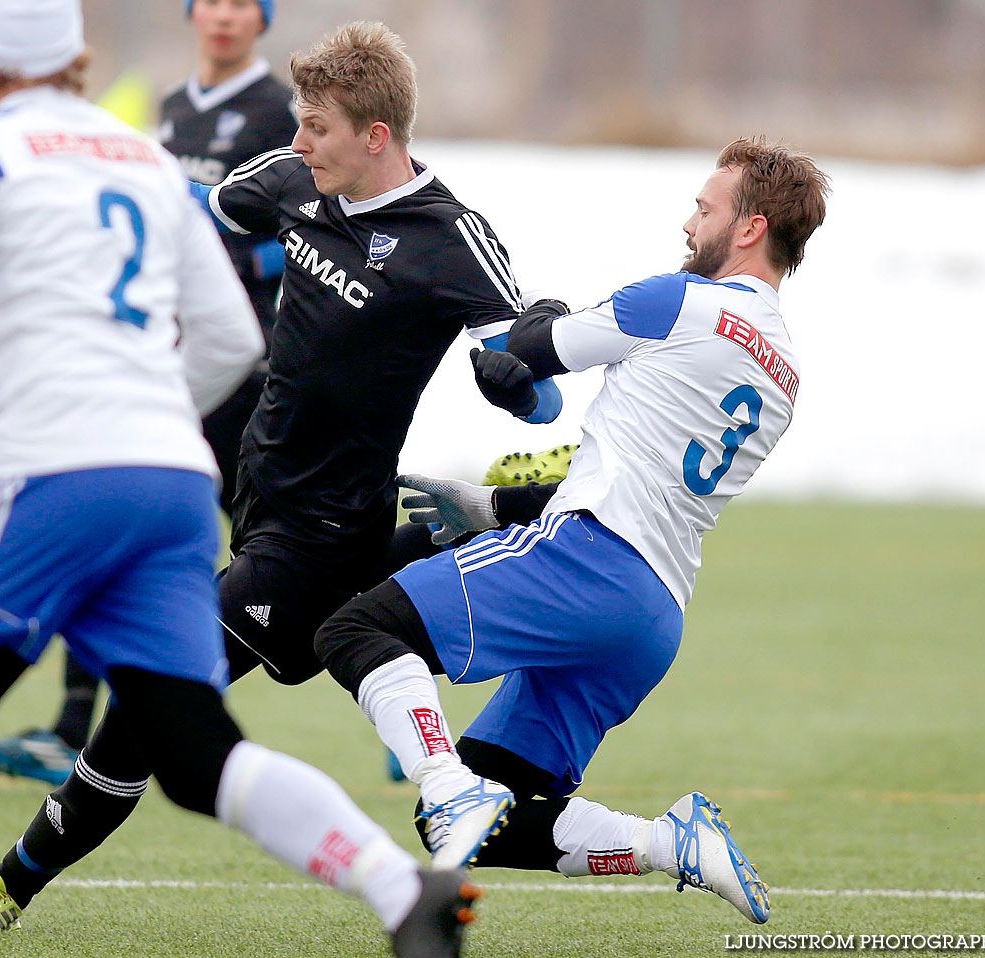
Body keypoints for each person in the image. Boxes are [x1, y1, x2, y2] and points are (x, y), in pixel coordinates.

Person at [0, 3, 480, 956]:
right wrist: (160, 412)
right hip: (172, 482)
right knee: (197, 752)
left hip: (60, 470)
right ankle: (400, 886)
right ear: (78, 58)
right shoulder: (143, 159)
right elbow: (238, 337)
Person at [0, 19, 568, 934]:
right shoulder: (294, 181)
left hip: (315, 539)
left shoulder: (448, 237)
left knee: (147, 706)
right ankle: (442, 537)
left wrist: (525, 387)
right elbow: (194, 216)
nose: (297, 142)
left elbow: (528, 361)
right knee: (258, 657)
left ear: (376, 137)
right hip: (257, 506)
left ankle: (5, 891)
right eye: (298, 126)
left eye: (315, 128)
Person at [313, 137, 830, 923]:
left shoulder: (679, 301)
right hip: (652, 616)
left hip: (586, 562)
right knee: (486, 815)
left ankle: (445, 785)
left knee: (355, 632)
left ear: (751, 228)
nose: (688, 223)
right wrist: (493, 507)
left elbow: (529, 348)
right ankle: (669, 843)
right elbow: (642, 474)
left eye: (704, 207)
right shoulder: (786, 374)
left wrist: (540, 310)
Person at [0, 0, 298, 787]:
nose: (223, 16)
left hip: (243, 370)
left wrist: (229, 270)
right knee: (116, 534)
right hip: (169, 364)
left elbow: (305, 235)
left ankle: (387, 674)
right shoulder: (172, 106)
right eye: (209, 1)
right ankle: (72, 729)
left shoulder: (280, 114)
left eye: (240, 3)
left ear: (261, 19)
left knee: (282, 560)